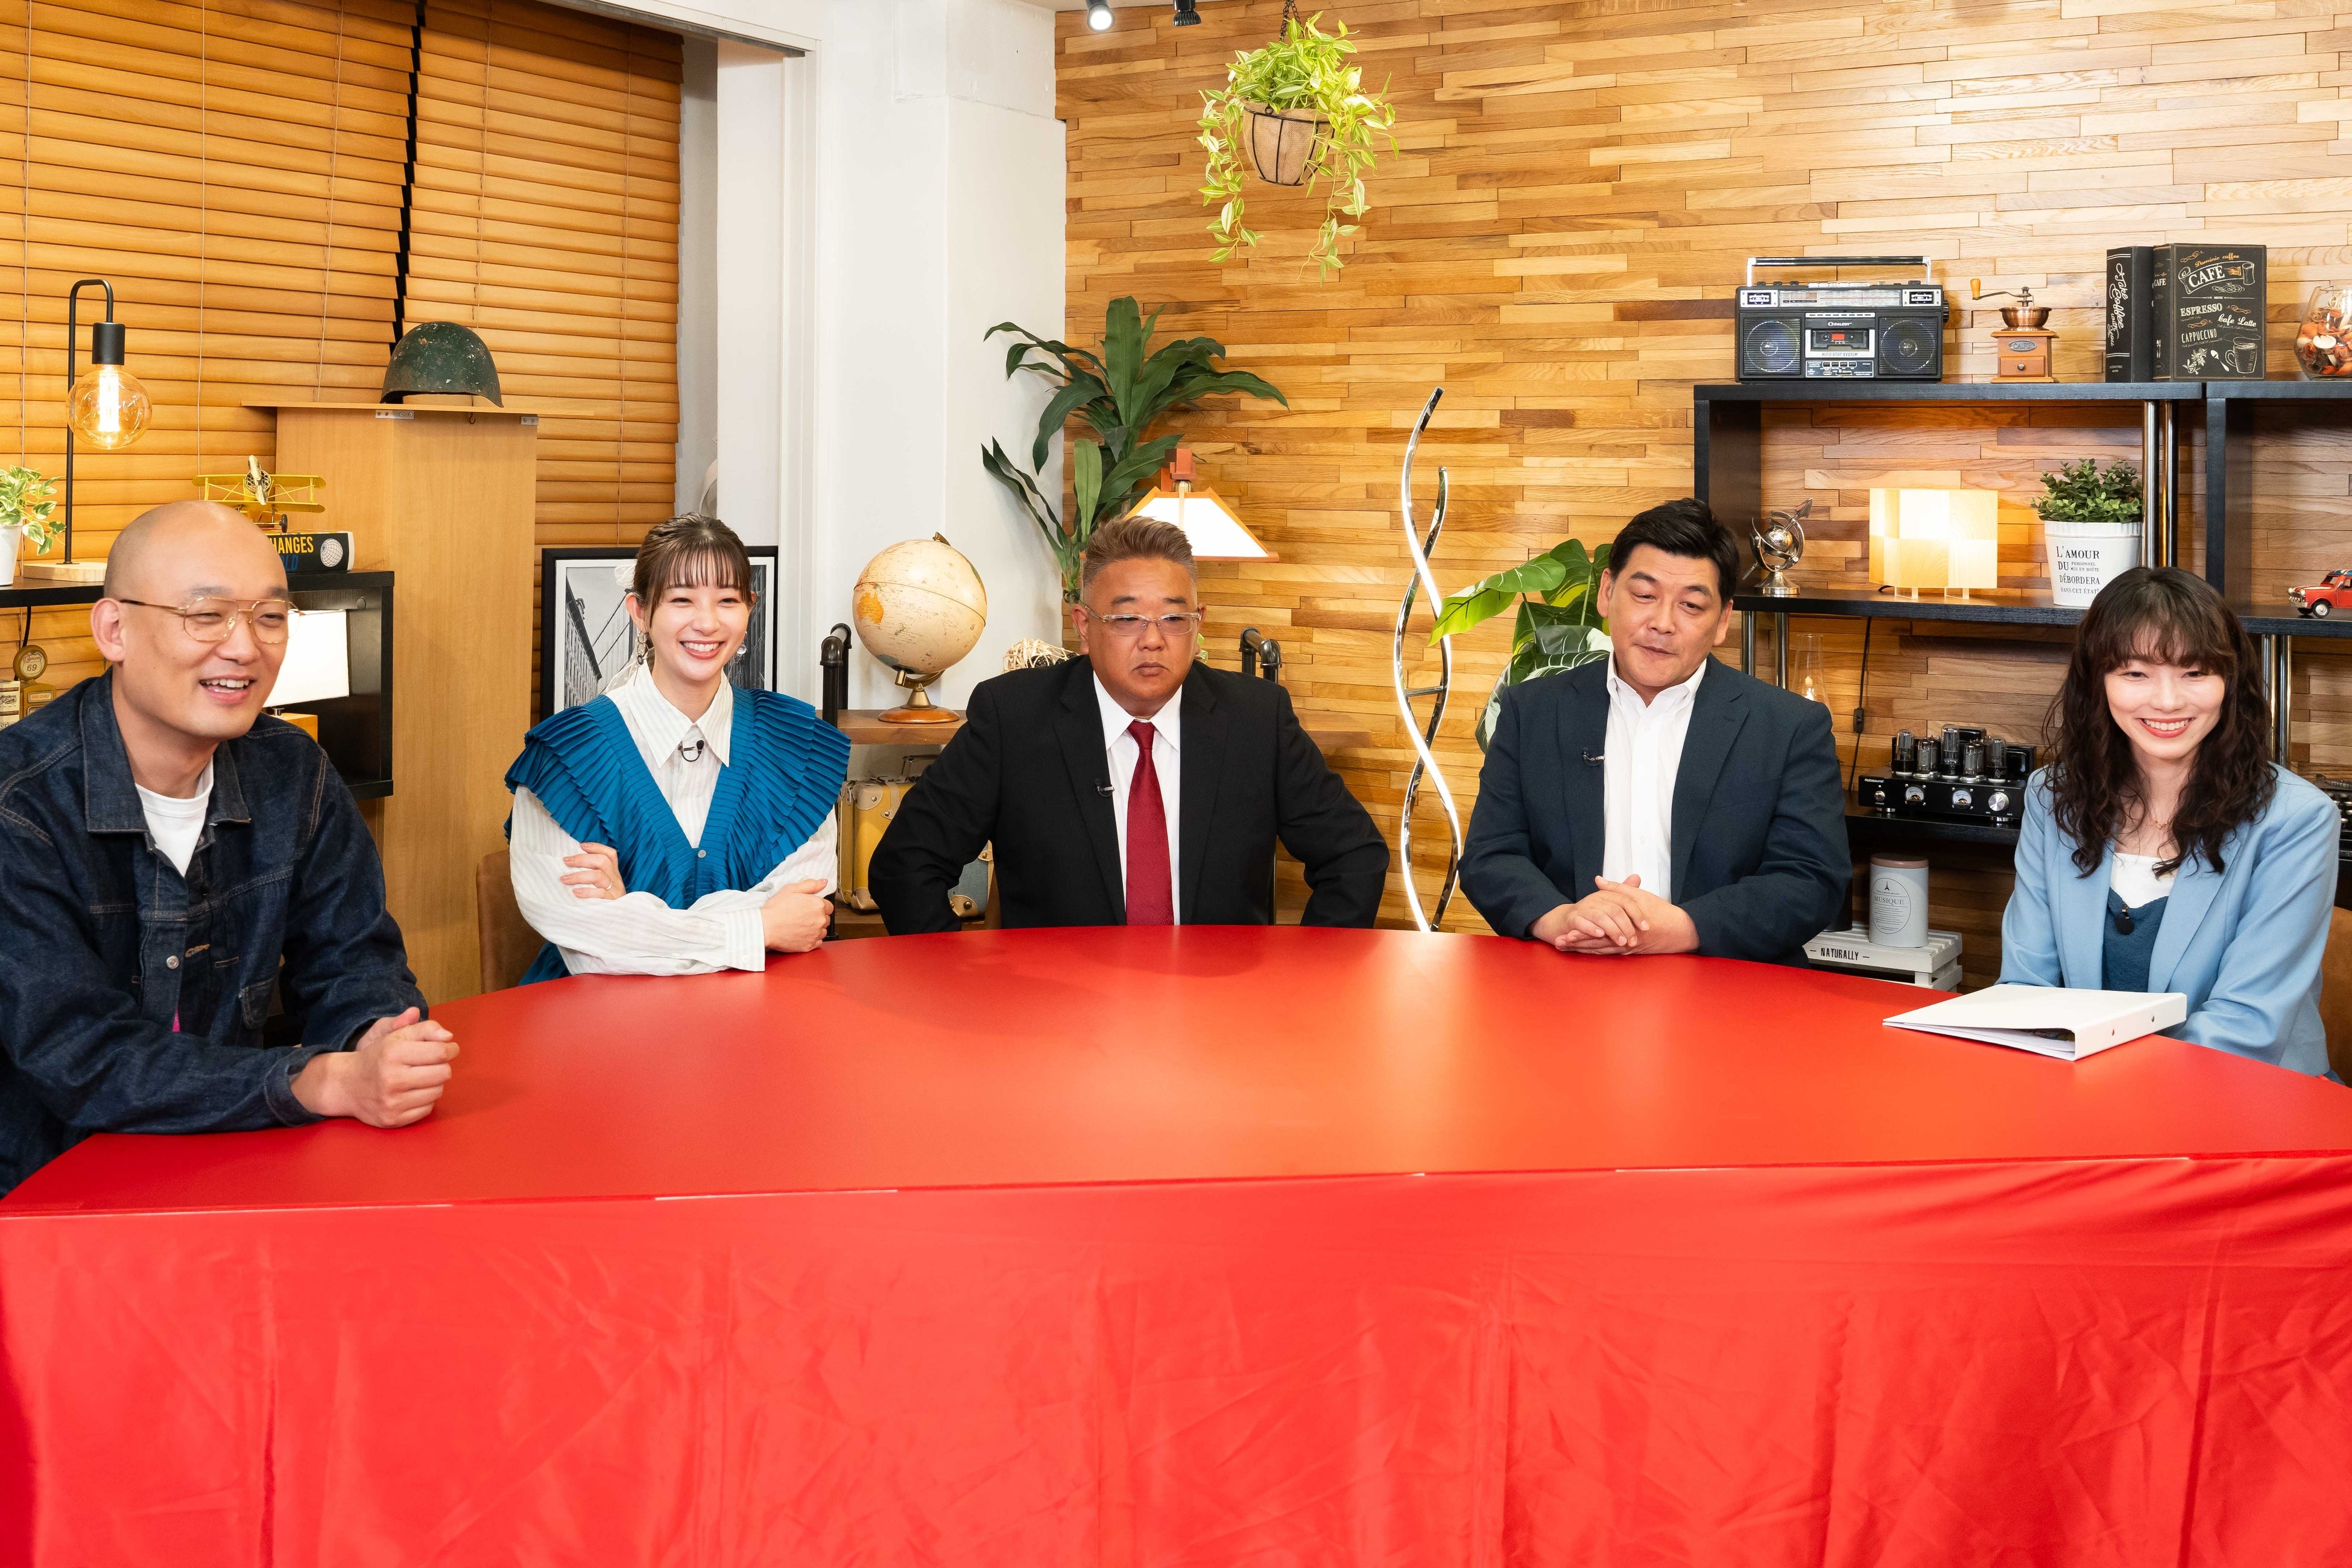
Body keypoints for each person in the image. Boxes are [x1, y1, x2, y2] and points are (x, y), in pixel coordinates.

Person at [0, 502, 454, 1195]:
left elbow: (355, 960)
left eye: (270, 616)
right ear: (114, 629)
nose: (245, 647)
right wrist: (314, 1080)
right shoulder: (20, 803)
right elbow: (80, 1056)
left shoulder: (293, 770)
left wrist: (377, 1040)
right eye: (207, 614)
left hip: (226, 1168)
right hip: (44, 1191)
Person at [868, 514, 1388, 931]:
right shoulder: (1014, 718)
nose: (1153, 640)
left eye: (1174, 618)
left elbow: (1355, 856)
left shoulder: (1256, 719)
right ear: (1084, 625)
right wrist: (964, 989)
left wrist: (1302, 980)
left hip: (1219, 1006)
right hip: (1056, 1008)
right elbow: (905, 865)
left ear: (1198, 624)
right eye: (1126, 619)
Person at [1459, 498, 1848, 966]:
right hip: (1568, 974)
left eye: (1691, 605)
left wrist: (1683, 928)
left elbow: (1811, 881)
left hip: (1728, 982)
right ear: (1607, 592)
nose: (1662, 624)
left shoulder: (1789, 727)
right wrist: (1561, 919)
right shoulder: (1532, 711)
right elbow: (1491, 856)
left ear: (1723, 620)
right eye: (1644, 596)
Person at [2000, 567, 2336, 1075]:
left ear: (2230, 682)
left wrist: (2106, 1093)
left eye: (2195, 673)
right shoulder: (2054, 797)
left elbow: (2246, 1027)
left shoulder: (2297, 820)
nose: (2167, 701)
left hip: (2249, 1097)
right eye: (2135, 673)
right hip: (2085, 1094)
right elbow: (2026, 988)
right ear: (2097, 682)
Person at [504, 514, 850, 979]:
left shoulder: (794, 745)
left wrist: (632, 912)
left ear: (750, 609)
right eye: (682, 600)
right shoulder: (566, 758)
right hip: (596, 1017)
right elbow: (591, 949)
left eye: (727, 600)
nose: (707, 623)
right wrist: (761, 926)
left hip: (756, 1015)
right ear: (640, 612)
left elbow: (804, 913)